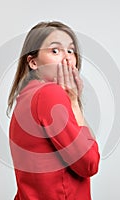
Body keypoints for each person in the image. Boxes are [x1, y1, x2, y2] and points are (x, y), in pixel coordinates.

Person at [7, 21, 100, 200]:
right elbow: (90, 163)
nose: (67, 58)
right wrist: (73, 102)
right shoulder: (50, 93)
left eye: (71, 51)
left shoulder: (26, 96)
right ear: (33, 62)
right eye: (55, 50)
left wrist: (72, 100)